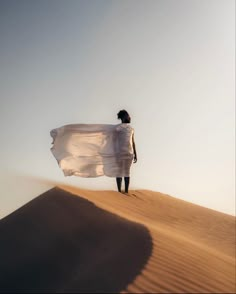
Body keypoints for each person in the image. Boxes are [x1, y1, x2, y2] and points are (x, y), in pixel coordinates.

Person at [116, 110, 137, 194]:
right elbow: (113, 139)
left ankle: (126, 192)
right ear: (124, 117)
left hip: (129, 153)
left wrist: (135, 153)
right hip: (120, 153)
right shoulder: (118, 128)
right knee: (119, 172)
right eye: (128, 116)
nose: (130, 117)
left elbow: (133, 141)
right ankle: (119, 192)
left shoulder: (131, 129)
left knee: (127, 172)